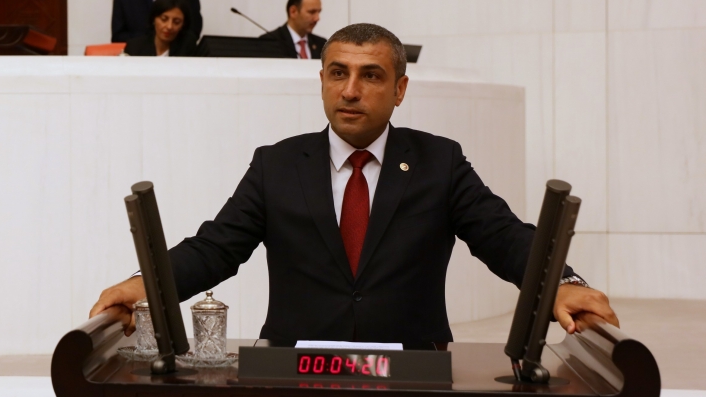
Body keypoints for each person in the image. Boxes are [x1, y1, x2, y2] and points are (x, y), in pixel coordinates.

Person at [91, 23, 619, 342]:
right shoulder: (277, 164)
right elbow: (215, 248)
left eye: (370, 75)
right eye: (338, 73)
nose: (350, 90)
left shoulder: (439, 161)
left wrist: (562, 284)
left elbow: (502, 235)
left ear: (400, 89)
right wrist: (144, 284)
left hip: (414, 373)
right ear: (322, 81)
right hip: (296, 372)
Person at [123, 0, 197, 57]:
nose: (169, 26)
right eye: (164, 19)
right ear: (153, 19)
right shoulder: (135, 47)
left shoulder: (187, 46)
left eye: (176, 22)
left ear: (183, 24)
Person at [111, 0, 202, 43]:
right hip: (136, 60)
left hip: (177, 60)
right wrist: (151, 40)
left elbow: (193, 31)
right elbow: (118, 37)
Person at [259, 0, 327, 59]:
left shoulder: (322, 44)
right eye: (312, 12)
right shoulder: (269, 42)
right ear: (293, 12)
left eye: (319, 12)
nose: (317, 18)